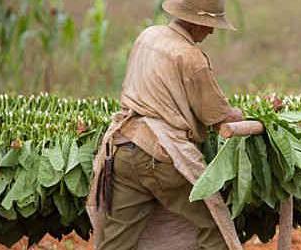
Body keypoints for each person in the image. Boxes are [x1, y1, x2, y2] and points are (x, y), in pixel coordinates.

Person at [87, 0, 244, 249]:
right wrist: (244, 115)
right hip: (161, 157)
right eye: (209, 24)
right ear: (194, 21)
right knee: (213, 225)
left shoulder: (148, 36)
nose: (211, 31)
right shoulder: (191, 57)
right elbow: (217, 117)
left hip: (124, 149)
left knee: (118, 240)